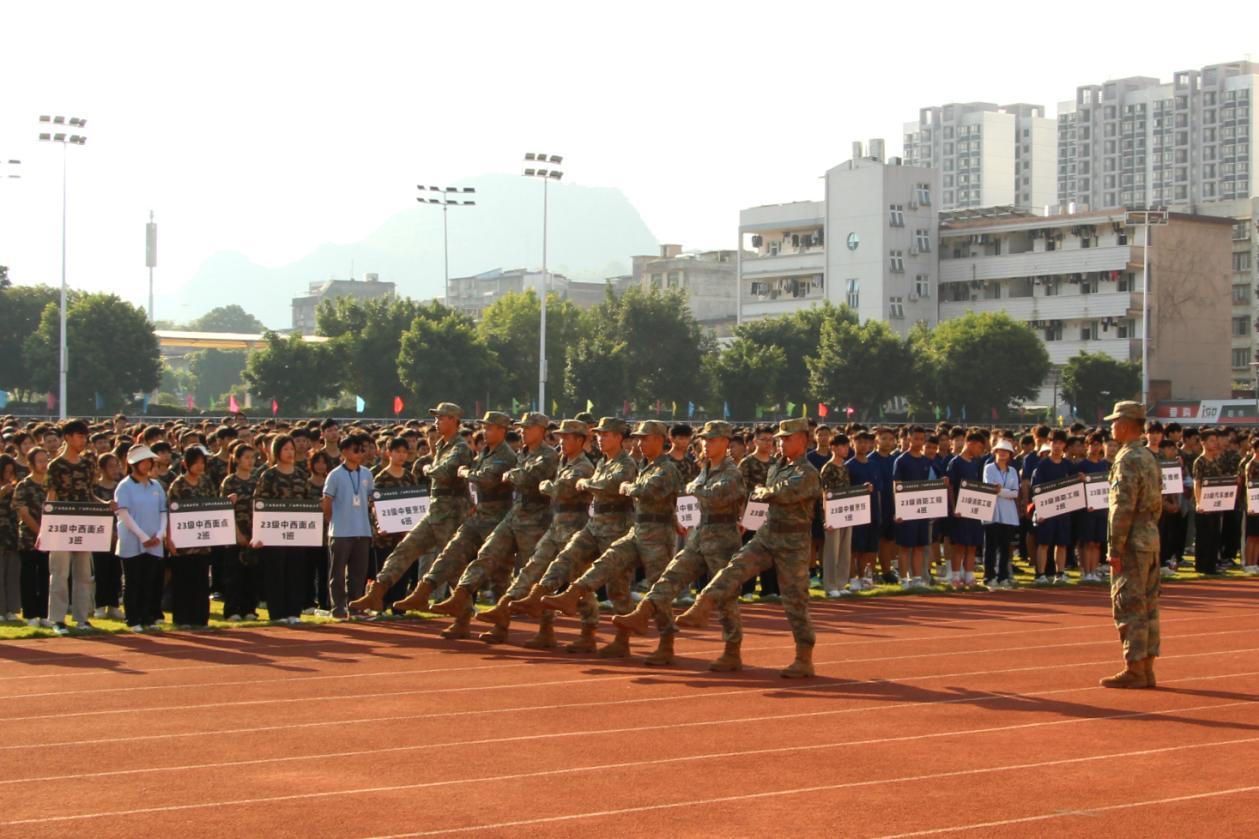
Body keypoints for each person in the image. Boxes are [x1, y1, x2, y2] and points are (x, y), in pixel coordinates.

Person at [678, 417, 822, 678]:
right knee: (734, 569)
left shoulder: (808, 472)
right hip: (767, 536)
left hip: (793, 543)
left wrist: (766, 491)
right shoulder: (778, 466)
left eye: (786, 438)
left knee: (794, 602)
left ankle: (804, 657)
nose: (780, 442)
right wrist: (751, 518)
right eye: (780, 438)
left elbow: (784, 493)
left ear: (803, 439)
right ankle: (704, 607)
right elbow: (762, 498)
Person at [541, 420, 681, 659]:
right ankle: (573, 596)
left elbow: (645, 490)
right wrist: (630, 486)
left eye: (645, 438)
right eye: (638, 438)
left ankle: (666, 643)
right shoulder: (644, 466)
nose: (640, 443)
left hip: (658, 534)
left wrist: (628, 486)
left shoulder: (666, 468)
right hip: (637, 529)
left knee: (659, 591)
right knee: (607, 563)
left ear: (659, 439)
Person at [613, 420, 746, 668]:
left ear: (726, 443)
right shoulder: (705, 469)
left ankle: (732, 651)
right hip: (699, 534)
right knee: (669, 578)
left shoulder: (731, 471)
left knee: (725, 598)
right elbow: (695, 491)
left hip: (722, 537)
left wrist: (697, 487)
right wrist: (697, 487)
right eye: (704, 439)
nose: (706, 443)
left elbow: (714, 495)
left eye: (713, 439)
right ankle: (647, 621)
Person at [512, 417, 637, 654]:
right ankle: (539, 600)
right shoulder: (601, 463)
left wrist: (586, 483)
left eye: (606, 435)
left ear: (619, 437)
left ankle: (621, 640)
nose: (600, 438)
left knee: (617, 587)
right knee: (564, 561)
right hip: (594, 525)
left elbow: (608, 486)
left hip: (616, 529)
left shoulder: (625, 464)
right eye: (599, 434)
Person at [441, 412, 559, 643]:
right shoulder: (522, 453)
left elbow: (526, 477)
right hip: (514, 515)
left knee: (532, 577)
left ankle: (547, 630)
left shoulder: (548, 456)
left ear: (542, 431)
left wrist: (512, 474)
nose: (523, 431)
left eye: (528, 427)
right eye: (522, 427)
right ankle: (467, 602)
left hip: (535, 520)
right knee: (487, 556)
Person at [350, 403, 472, 614]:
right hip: (435, 511)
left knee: (452, 563)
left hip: (451, 512)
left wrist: (428, 467)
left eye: (441, 417)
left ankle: (464, 610)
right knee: (405, 549)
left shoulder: (460, 447)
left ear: (453, 420)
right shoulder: (443, 444)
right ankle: (376, 594)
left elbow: (444, 471)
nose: (436, 421)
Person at [416, 411, 517, 639]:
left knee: (498, 576)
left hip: (498, 519)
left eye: (490, 428)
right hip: (479, 516)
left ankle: (501, 627)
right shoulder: (485, 453)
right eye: (484, 427)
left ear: (502, 430)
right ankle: (458, 615)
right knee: (454, 554)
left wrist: (466, 472)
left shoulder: (505, 456)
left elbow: (487, 479)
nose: (485, 431)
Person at [499, 419, 595, 649]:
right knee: (537, 568)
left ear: (580, 441)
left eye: (567, 438)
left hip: (575, 527)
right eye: (560, 437)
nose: (561, 442)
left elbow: (561, 490)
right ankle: (544, 629)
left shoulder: (583, 466)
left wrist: (546, 487)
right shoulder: (564, 461)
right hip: (556, 525)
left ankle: (588, 632)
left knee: (576, 583)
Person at [1101, 401, 1163, 689]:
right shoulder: (1149, 456)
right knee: (1149, 606)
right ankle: (1147, 667)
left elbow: (1121, 508)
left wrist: (1115, 547)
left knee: (1129, 605)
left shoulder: (1127, 459)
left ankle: (1135, 668)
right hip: (1149, 537)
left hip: (1132, 542)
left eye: (1114, 422)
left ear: (1125, 425)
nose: (1111, 426)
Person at [45, 419, 101, 632]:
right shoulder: (56, 465)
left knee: (84, 573)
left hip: (85, 522)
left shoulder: (88, 464)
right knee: (60, 573)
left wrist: (106, 505)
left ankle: (82, 617)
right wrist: (48, 527)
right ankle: (57, 619)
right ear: (67, 437)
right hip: (62, 524)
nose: (83, 440)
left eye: (85, 436)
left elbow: (90, 492)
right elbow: (51, 496)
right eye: (80, 436)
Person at [251, 434, 313, 624]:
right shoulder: (268, 475)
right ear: (277, 452)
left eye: (291, 448)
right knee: (275, 573)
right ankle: (277, 614)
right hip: (273, 533)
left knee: (296, 572)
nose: (290, 452)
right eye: (285, 449)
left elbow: (309, 504)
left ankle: (294, 612)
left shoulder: (301, 475)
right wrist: (258, 534)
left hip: (297, 534)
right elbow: (259, 503)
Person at [114, 445, 168, 630]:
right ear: (133, 464)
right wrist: (143, 536)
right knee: (133, 581)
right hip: (132, 541)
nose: (146, 465)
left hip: (154, 542)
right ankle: (133, 618)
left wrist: (159, 534)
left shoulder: (156, 486)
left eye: (148, 461)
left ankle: (147, 617)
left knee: (149, 581)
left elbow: (163, 512)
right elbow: (124, 514)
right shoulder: (125, 486)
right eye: (142, 461)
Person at [321, 432, 374, 619]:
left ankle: (356, 607)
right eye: (356, 450)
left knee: (358, 573)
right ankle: (338, 608)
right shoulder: (334, 475)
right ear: (344, 452)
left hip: (362, 530)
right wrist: (332, 521)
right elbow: (326, 502)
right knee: (337, 573)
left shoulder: (367, 473)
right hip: (341, 531)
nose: (360, 453)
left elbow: (372, 499)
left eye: (362, 450)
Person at [166, 445, 215, 628]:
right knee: (183, 581)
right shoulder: (178, 484)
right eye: (196, 463)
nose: (200, 466)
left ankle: (201, 618)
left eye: (202, 463)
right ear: (186, 464)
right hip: (183, 543)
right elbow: (171, 511)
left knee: (201, 581)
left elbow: (214, 508)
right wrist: (169, 538)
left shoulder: (207, 483)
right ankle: (182, 618)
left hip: (202, 542)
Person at [220, 443, 260, 621]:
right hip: (234, 534)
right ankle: (232, 610)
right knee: (233, 575)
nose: (250, 461)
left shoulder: (257, 480)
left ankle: (249, 609)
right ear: (237, 460)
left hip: (254, 535)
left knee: (251, 575)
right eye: (247, 457)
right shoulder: (230, 481)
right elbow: (226, 511)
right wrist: (238, 534)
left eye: (253, 458)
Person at [982, 439, 1020, 589]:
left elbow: (1015, 493)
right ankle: (989, 577)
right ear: (995, 452)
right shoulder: (989, 468)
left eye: (1006, 451)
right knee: (990, 546)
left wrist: (1001, 491)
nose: (1003, 453)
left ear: (1010, 454)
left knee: (1005, 547)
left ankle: (1003, 576)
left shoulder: (1013, 471)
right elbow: (989, 487)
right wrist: (1005, 492)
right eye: (1000, 450)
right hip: (992, 512)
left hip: (1008, 514)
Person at [819, 433, 853, 597]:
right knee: (832, 551)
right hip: (833, 514)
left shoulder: (845, 466)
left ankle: (841, 583)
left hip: (846, 512)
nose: (846, 449)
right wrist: (827, 518)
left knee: (845, 549)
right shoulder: (828, 468)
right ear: (833, 448)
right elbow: (825, 494)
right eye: (843, 446)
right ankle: (830, 585)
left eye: (847, 446)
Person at [1191, 429, 1226, 575]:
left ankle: (1212, 564)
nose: (1215, 443)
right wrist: (1199, 502)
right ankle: (1202, 565)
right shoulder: (1199, 461)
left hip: (1216, 504)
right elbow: (1197, 483)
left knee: (1214, 534)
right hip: (1204, 505)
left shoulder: (1217, 460)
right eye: (1211, 440)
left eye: (1216, 440)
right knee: (1203, 535)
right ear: (1203, 442)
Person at [0, 455, 22, 620]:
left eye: (10, 471)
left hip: (12, 535)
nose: (8, 474)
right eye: (5, 471)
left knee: (12, 573)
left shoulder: (17, 488)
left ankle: (11, 609)